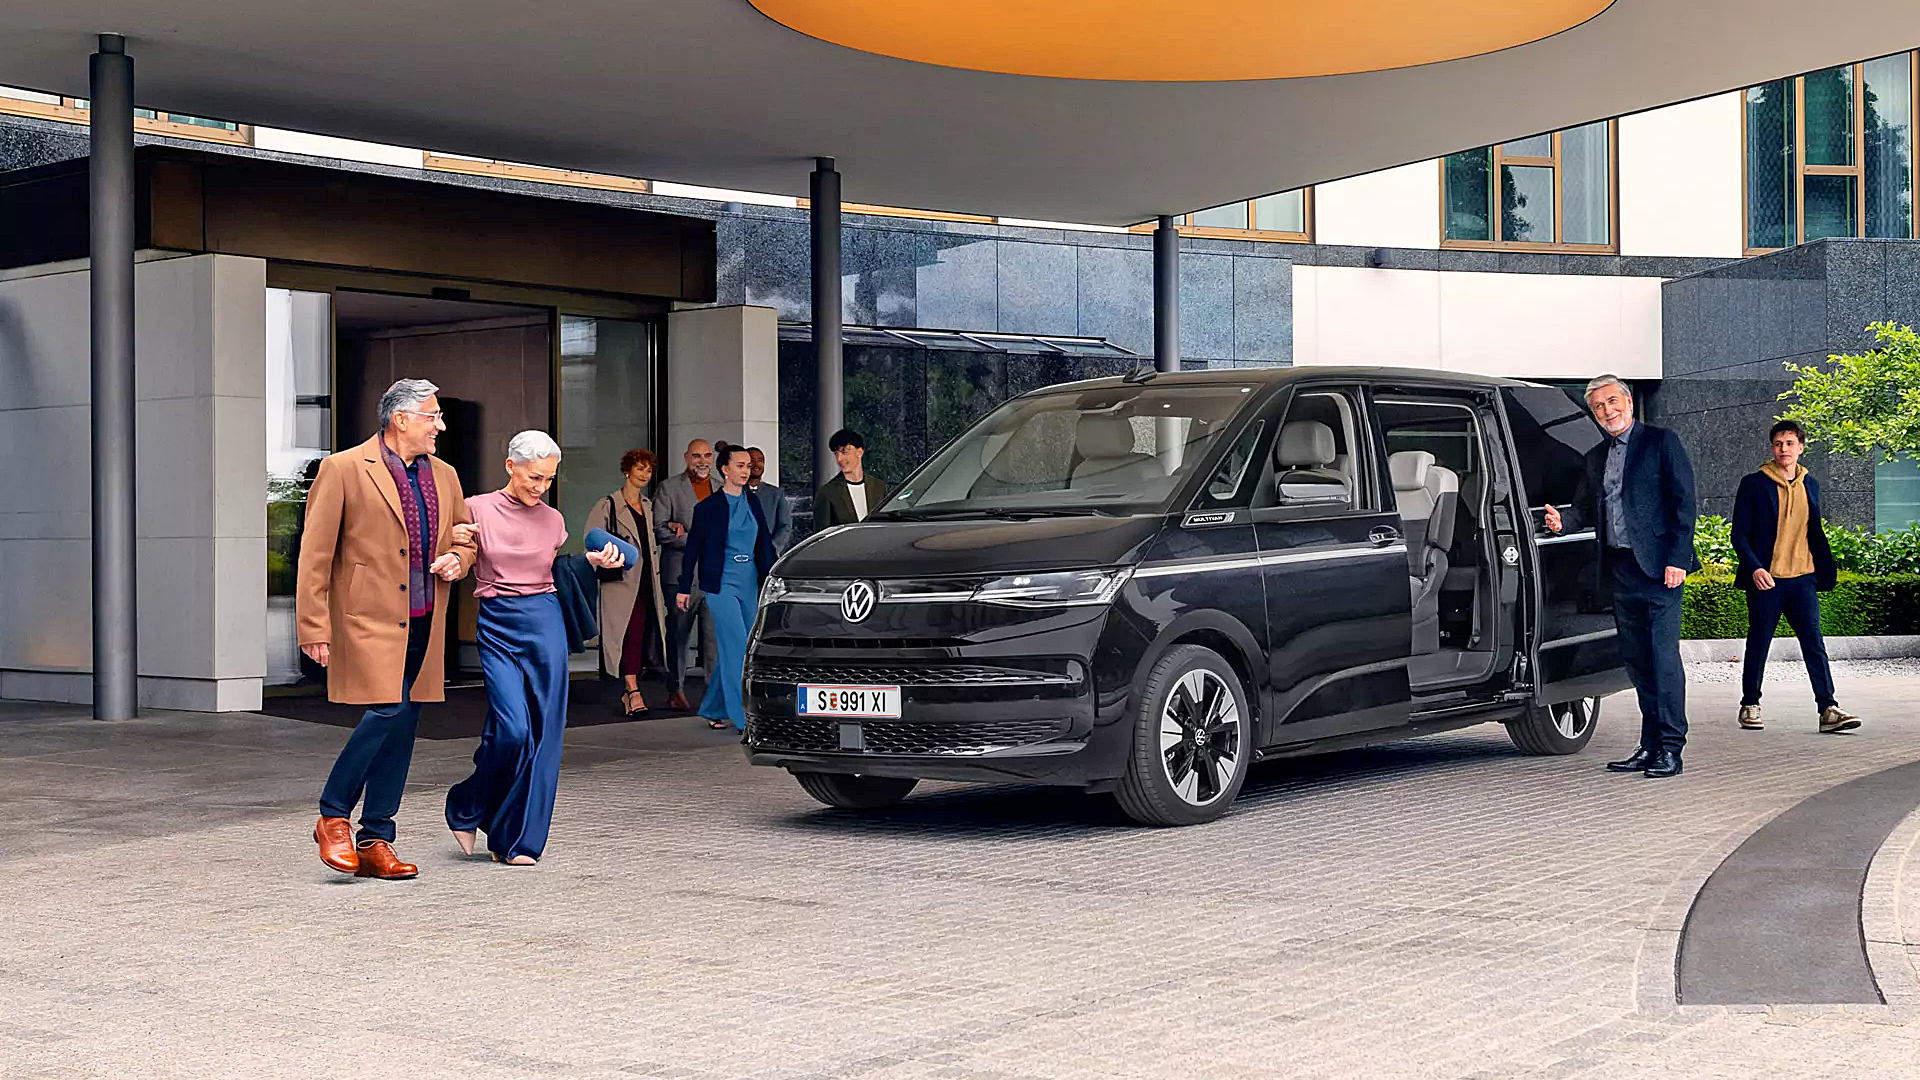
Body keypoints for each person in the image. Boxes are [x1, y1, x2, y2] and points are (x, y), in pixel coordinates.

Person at [300, 378, 476, 880]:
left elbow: (465, 538)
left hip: (425, 618)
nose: (440, 425)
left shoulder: (445, 474)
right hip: (367, 619)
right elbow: (314, 556)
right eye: (432, 416)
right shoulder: (343, 468)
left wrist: (457, 561)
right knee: (386, 709)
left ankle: (377, 837)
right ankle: (333, 814)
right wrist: (314, 625)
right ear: (401, 419)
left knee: (404, 725)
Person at [444, 431, 625, 865]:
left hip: (545, 623)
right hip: (497, 622)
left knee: (544, 734)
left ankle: (519, 841)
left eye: (547, 479)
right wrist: (454, 555)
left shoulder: (553, 520)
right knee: (510, 729)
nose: (540, 487)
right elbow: (463, 552)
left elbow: (556, 569)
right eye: (533, 476)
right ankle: (466, 805)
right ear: (511, 466)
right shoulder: (476, 508)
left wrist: (591, 563)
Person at [1543, 374, 1698, 779]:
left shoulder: (1662, 442)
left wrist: (1678, 559)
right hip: (1619, 571)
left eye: (1613, 401)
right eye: (1598, 406)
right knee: (1637, 662)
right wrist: (1563, 522)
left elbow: (1684, 503)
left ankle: (1671, 748)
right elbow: (1584, 509)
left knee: (1663, 660)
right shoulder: (1596, 456)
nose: (1608, 411)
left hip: (1660, 569)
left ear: (1628, 401)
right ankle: (1649, 747)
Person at [1730, 420, 1862, 734]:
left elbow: (1813, 531)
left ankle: (1828, 709)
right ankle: (1750, 704)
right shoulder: (1754, 484)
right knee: (1759, 642)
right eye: (1778, 443)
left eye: (1790, 443)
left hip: (1803, 578)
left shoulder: (1810, 485)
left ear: (1801, 447)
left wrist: (1823, 572)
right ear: (1771, 447)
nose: (1783, 449)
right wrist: (1755, 568)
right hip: (1767, 579)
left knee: (1814, 644)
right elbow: (1739, 535)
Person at [676, 445, 777, 731]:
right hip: (720, 585)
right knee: (736, 650)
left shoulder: (753, 503)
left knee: (743, 647)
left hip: (749, 583)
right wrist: (684, 588)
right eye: (740, 465)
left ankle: (714, 707)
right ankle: (744, 718)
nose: (747, 470)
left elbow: (764, 545)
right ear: (725, 469)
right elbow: (693, 550)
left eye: (748, 466)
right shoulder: (708, 507)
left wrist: (775, 579)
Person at [584, 448, 670, 717]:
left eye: (648, 470)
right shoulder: (608, 504)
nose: (645, 474)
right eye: (640, 468)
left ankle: (631, 688)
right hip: (621, 582)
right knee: (628, 634)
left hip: (648, 582)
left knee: (643, 634)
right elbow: (591, 539)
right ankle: (633, 691)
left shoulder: (648, 506)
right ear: (627, 471)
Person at [654, 439, 718, 711]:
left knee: (713, 639)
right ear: (685, 457)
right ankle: (675, 690)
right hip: (680, 575)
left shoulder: (720, 487)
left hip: (713, 576)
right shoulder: (669, 487)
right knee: (679, 634)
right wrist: (699, 540)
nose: (701, 461)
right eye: (696, 456)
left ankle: (713, 694)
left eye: (706, 455)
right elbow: (659, 530)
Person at [814, 428, 886, 530]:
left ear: (859, 452)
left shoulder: (879, 487)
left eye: (844, 452)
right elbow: (821, 537)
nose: (839, 459)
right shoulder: (827, 493)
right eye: (836, 453)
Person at [746, 446, 794, 554]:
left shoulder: (776, 494)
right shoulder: (737, 492)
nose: (756, 465)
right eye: (751, 461)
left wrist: (771, 549)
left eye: (760, 461)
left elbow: (784, 526)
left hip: (768, 555)